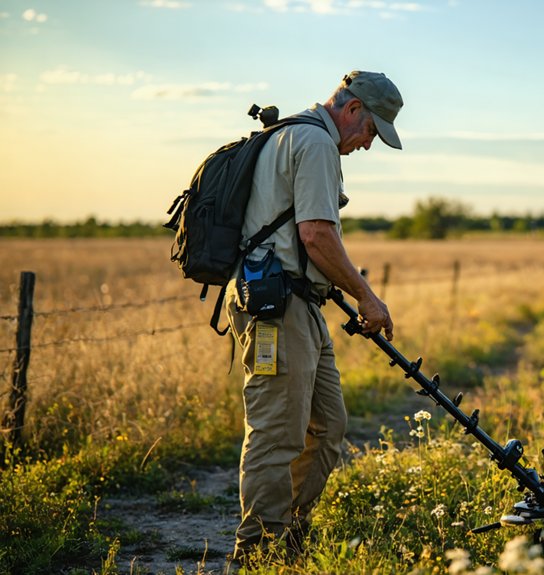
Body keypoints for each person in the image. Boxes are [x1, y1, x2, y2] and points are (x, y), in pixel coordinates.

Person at [224, 70, 401, 565]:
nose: (368, 146)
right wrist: (367, 295)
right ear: (352, 111)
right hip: (276, 309)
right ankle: (258, 551)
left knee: (327, 425)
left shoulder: (299, 137)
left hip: (300, 305)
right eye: (371, 132)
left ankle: (289, 534)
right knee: (277, 431)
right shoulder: (315, 143)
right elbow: (316, 235)